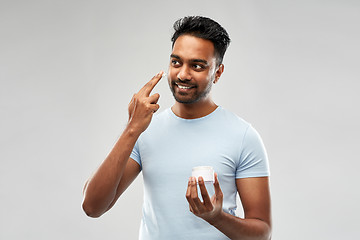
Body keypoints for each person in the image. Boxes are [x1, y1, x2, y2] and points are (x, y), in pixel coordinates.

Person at [82, 16, 272, 240]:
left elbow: (262, 234)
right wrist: (132, 128)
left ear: (217, 73)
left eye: (197, 66)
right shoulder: (145, 130)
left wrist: (216, 217)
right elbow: (93, 207)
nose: (183, 74)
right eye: (176, 62)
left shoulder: (243, 136)